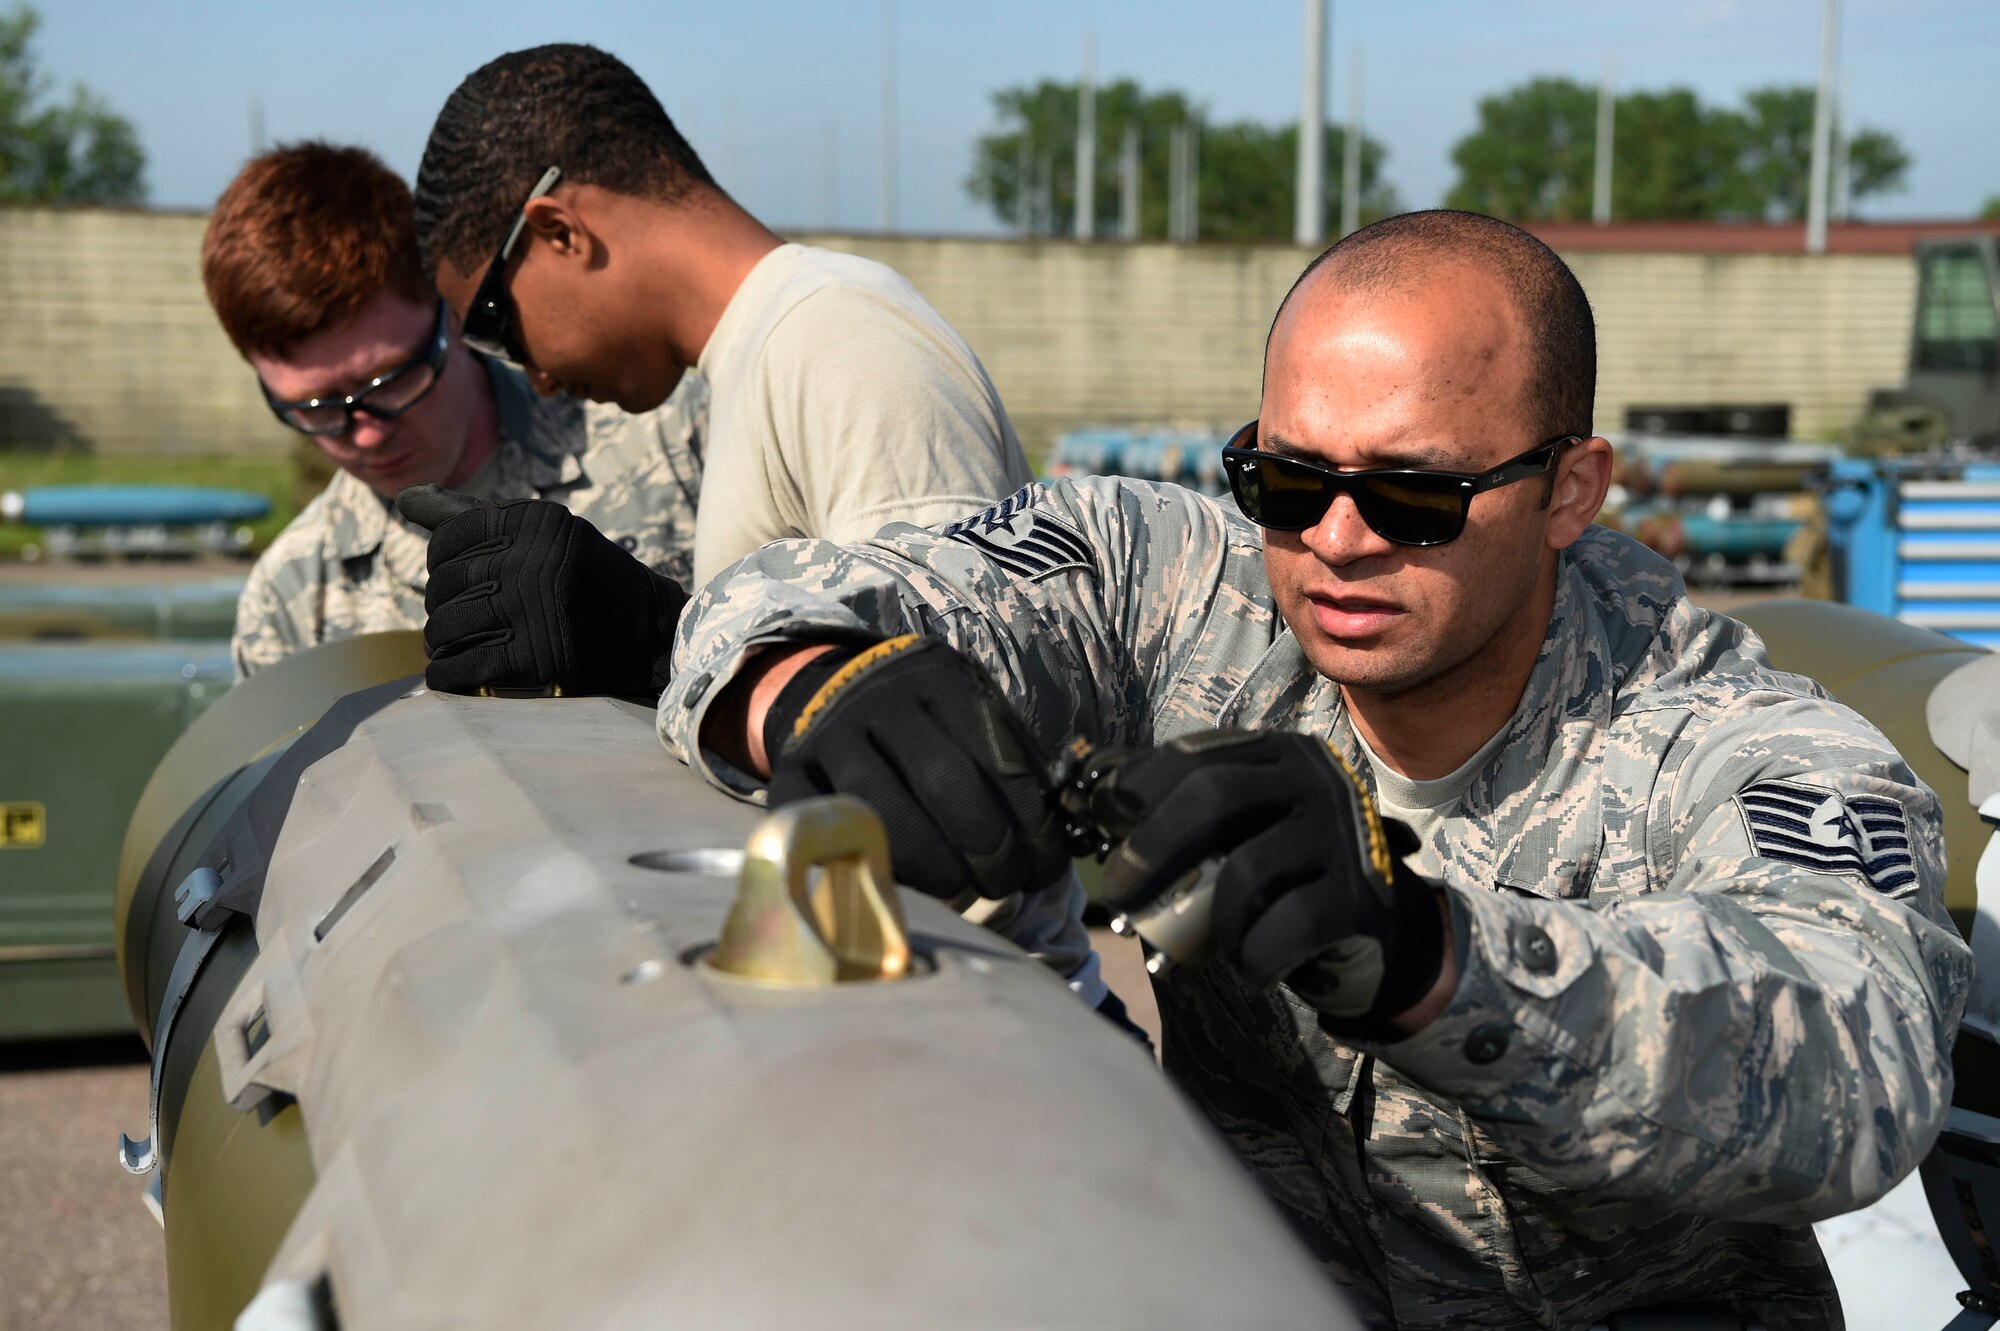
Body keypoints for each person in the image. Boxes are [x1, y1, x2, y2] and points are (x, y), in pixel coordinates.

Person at [653, 211, 1972, 1329]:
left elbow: (1859, 1064)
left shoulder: (1726, 738)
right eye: (1286, 476)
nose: (1334, 540)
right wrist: (821, 684)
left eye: (1413, 495)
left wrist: (1427, 951)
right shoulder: (1172, 586)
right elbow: (803, 588)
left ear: (1572, 490)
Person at [407, 42, 1032, 596]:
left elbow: (952, 691)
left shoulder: (834, 334)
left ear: (559, 232)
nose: (535, 378)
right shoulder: (765, 353)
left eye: (496, 326)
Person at [204, 141, 706, 681]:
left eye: (391, 380)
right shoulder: (294, 597)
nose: (366, 435)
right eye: (314, 407)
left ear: (451, 315)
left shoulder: (673, 440)